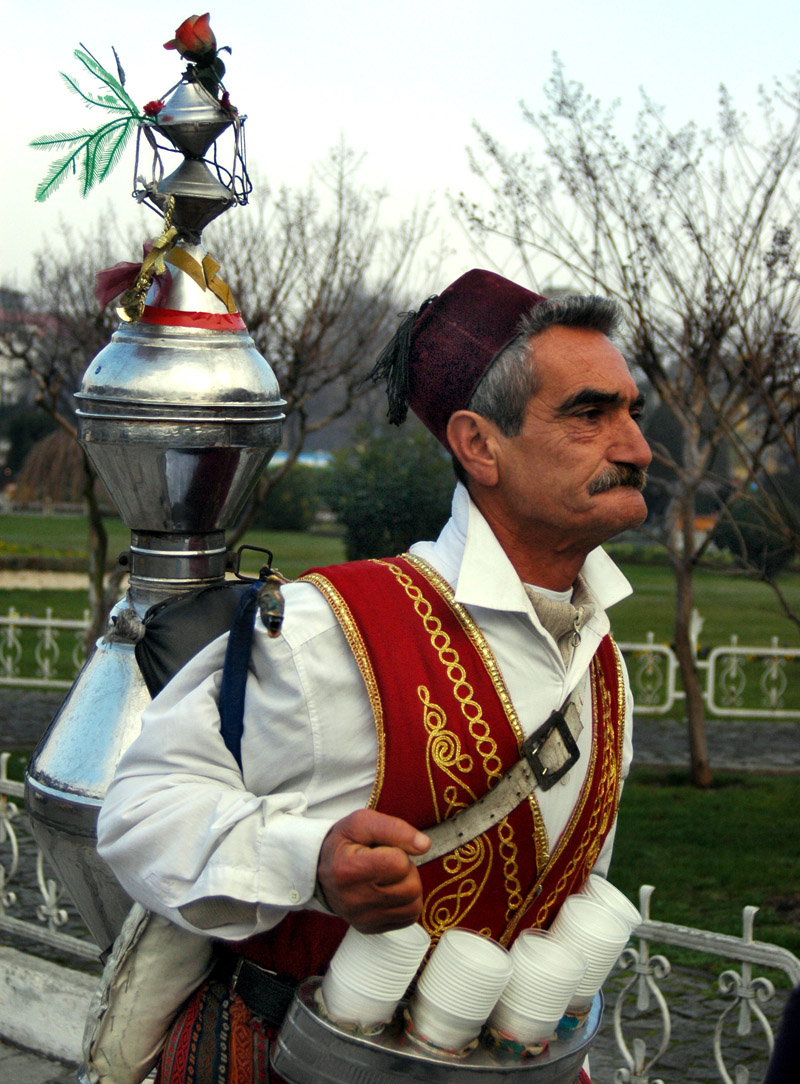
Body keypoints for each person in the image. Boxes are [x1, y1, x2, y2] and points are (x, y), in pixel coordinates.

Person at [97, 268, 651, 1083]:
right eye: (589, 415)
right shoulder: (335, 629)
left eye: (632, 412)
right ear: (478, 445)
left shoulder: (601, 662)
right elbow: (141, 811)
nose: (636, 447)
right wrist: (310, 858)